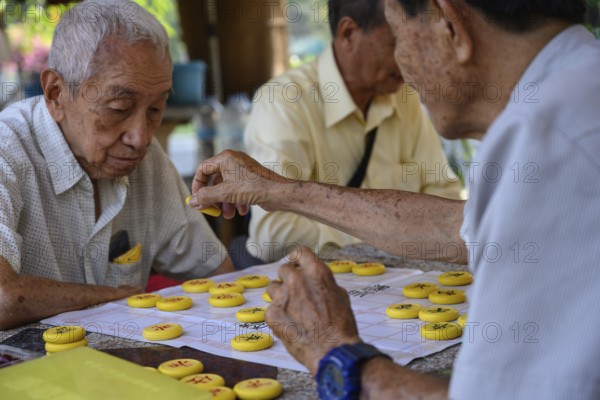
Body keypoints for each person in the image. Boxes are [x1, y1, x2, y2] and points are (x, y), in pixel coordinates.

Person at [189, 0, 599, 398]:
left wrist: (339, 355)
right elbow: (457, 226)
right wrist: (278, 191)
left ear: (449, 23)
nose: (403, 65)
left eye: (400, 35)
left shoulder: (544, 139)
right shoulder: (577, 90)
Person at [0, 0, 233, 330]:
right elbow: (3, 298)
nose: (141, 138)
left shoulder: (146, 160)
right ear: (56, 94)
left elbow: (217, 274)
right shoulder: (6, 153)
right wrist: (116, 298)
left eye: (155, 110)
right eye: (120, 107)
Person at [239, 0, 462, 264]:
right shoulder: (284, 102)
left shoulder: (405, 98)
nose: (411, 58)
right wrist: (393, 237)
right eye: (397, 43)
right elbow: (273, 235)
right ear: (348, 34)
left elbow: (444, 197)